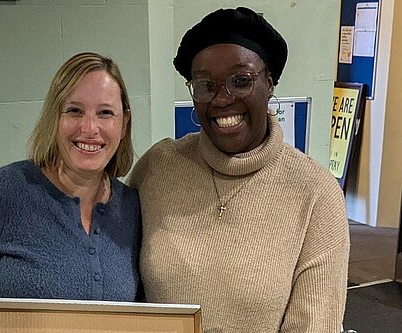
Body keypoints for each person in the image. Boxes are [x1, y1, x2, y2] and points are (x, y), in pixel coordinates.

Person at [128, 7, 349, 333]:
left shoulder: (315, 193)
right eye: (205, 86)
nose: (221, 99)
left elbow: (315, 325)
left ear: (269, 83)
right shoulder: (158, 168)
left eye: (240, 81)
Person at [0, 52, 141, 332]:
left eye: (105, 113)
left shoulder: (132, 208)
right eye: (74, 111)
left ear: (124, 123)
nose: (89, 128)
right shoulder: (2, 192)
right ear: (54, 118)